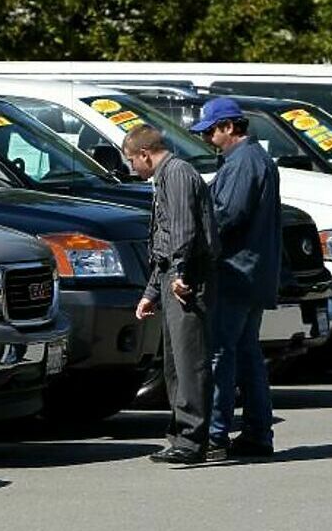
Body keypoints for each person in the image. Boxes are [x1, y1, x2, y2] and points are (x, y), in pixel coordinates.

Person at [189, 97, 282, 460]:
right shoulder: (256, 159)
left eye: (212, 131)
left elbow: (226, 217)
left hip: (236, 272)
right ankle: (258, 434)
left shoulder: (242, 163)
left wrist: (193, 242)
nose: (208, 138)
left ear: (230, 127)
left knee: (220, 353)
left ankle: (214, 436)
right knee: (246, 354)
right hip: (253, 272)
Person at [123, 124, 220, 464]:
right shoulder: (164, 176)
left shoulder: (177, 174)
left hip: (188, 280)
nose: (132, 168)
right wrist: (151, 290)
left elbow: (183, 230)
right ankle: (180, 435)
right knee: (175, 364)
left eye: (132, 161)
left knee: (189, 361)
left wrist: (180, 274)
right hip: (171, 278)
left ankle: (193, 441)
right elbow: (164, 240)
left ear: (145, 155)